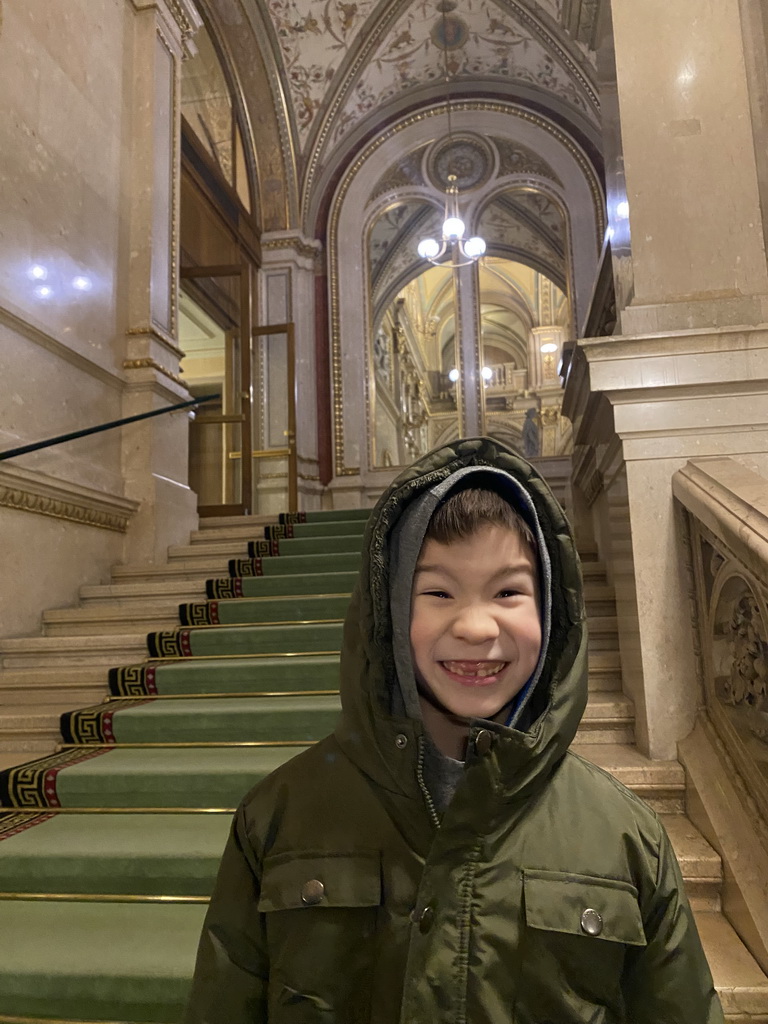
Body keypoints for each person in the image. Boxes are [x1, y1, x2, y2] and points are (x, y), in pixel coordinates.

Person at [184, 435, 723, 1023]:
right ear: (390, 612)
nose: (474, 626)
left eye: (509, 591)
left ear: (551, 612)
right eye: (437, 592)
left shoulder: (627, 837)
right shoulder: (278, 816)